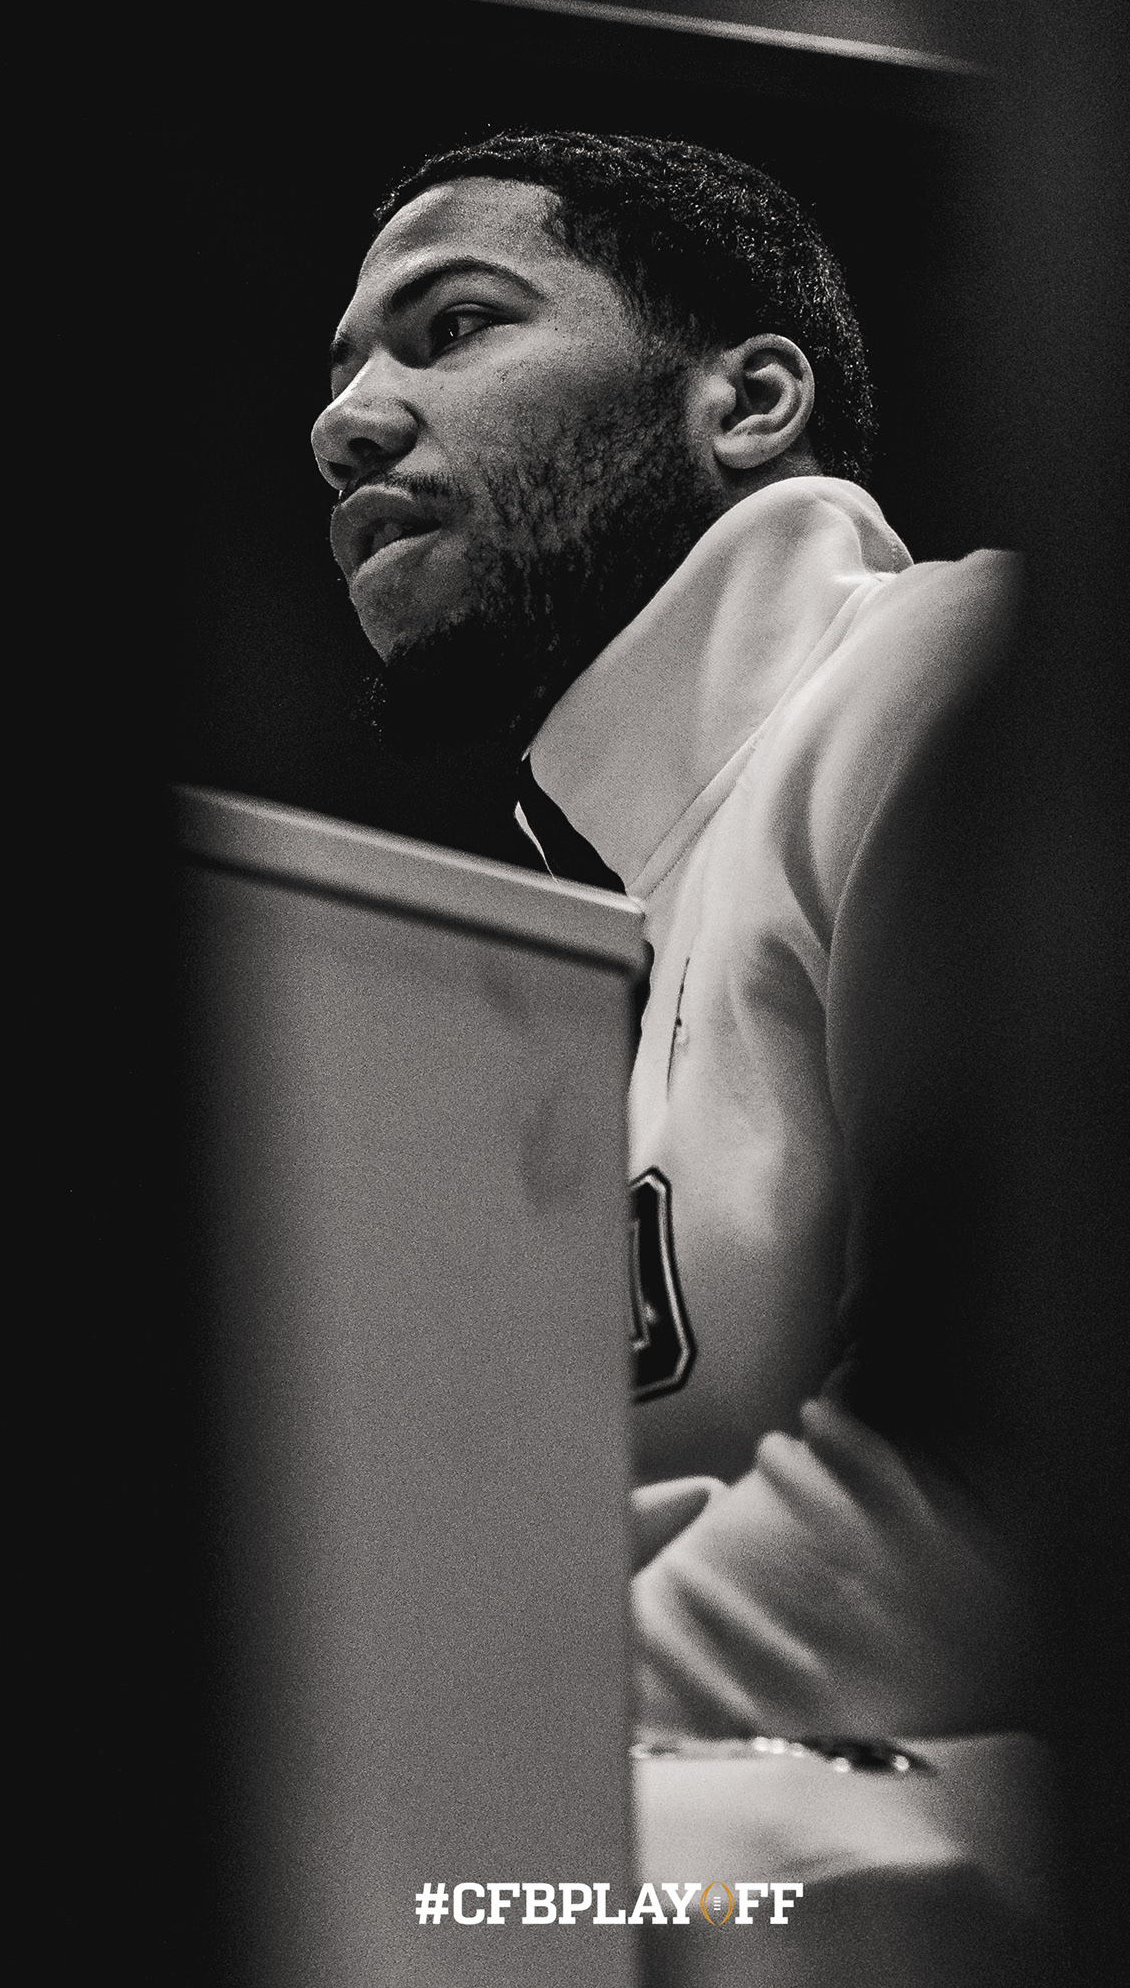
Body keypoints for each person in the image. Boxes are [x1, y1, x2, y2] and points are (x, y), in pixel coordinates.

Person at [312, 130, 1027, 1742]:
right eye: (341, 372)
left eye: (452, 326)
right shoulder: (582, 933)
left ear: (748, 402)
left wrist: (467, 1769)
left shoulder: (952, 676)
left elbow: (1003, 1478)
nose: (345, 423)